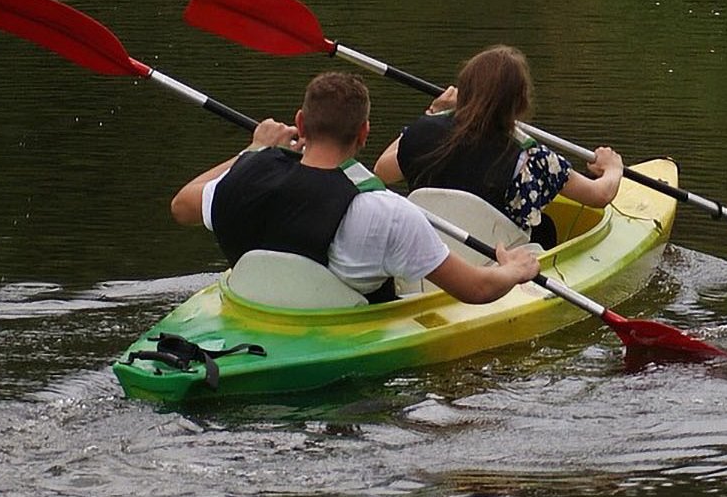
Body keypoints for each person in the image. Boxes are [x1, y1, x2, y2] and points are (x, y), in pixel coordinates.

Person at [170, 72, 539, 304]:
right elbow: (476, 290)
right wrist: (513, 270)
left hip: (257, 311)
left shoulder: (244, 180)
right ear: (364, 133)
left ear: (301, 122)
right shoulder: (387, 213)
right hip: (337, 332)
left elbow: (181, 205)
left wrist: (254, 150)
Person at [372, 45, 624, 249]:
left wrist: (432, 114)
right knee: (544, 227)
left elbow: (382, 171)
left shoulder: (420, 134)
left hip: (435, 258)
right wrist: (613, 167)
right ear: (521, 101)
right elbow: (599, 195)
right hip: (498, 265)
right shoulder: (532, 158)